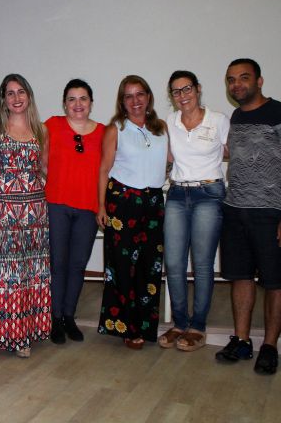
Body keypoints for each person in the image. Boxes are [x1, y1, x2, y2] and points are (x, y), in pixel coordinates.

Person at [215, 58, 280, 375]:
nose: (236, 84)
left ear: (259, 80)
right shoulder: (236, 117)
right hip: (235, 210)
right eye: (231, 80)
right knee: (239, 276)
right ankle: (241, 340)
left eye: (243, 78)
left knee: (275, 282)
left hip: (270, 213)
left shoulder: (278, 113)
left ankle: (269, 346)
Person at [0, 73, 51, 358]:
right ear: (3, 99)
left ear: (29, 96)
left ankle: (30, 332)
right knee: (6, 274)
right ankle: (9, 335)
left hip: (35, 213)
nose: (16, 98)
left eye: (21, 92)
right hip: (5, 212)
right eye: (10, 93)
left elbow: (44, 169)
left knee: (32, 273)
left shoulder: (41, 130)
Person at [158, 70, 229, 352]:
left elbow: (231, 152)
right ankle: (179, 323)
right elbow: (167, 159)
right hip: (176, 193)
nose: (182, 96)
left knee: (202, 264)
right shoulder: (169, 124)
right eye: (176, 91)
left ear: (198, 89)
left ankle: (198, 326)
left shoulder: (219, 120)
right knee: (173, 263)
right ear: (171, 96)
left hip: (209, 195)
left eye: (187, 89)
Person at [97, 75, 168, 350]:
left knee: (150, 267)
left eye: (140, 94)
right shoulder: (116, 129)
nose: (135, 100)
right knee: (122, 269)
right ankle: (126, 326)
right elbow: (103, 169)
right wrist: (100, 206)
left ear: (149, 97)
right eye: (129, 96)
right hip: (122, 203)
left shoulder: (161, 128)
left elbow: (170, 159)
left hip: (152, 204)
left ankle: (146, 326)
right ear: (122, 101)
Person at [45, 79, 104, 344]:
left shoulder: (104, 132)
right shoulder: (52, 126)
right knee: (57, 264)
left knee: (77, 265)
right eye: (72, 99)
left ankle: (69, 316)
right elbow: (40, 161)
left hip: (88, 209)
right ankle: (55, 318)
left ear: (91, 102)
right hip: (56, 204)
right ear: (64, 103)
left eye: (83, 98)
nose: (78, 104)